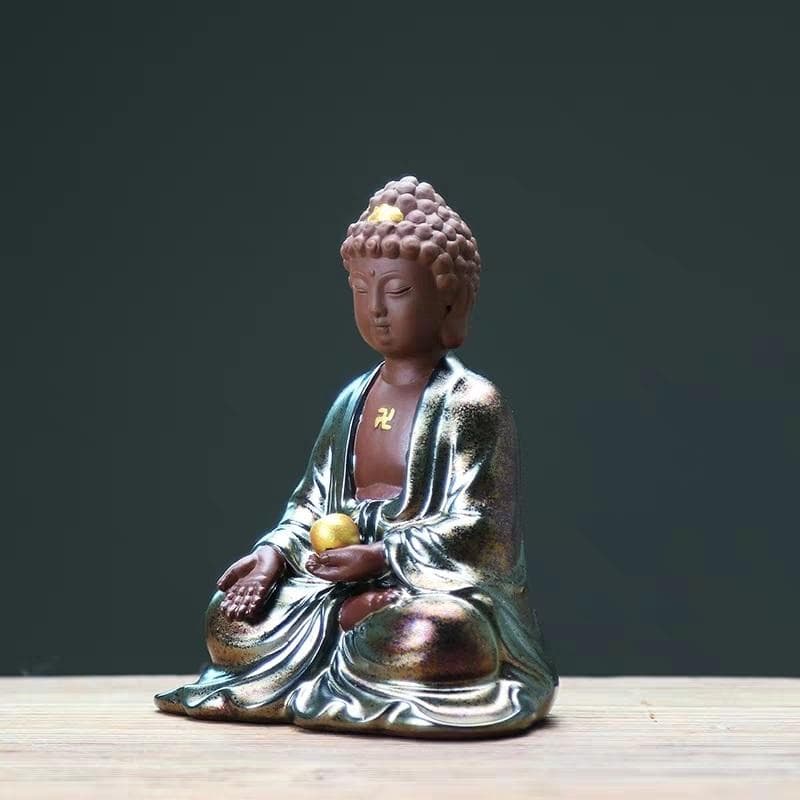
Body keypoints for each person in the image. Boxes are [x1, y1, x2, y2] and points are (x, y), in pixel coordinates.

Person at [155, 176, 558, 737]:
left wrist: (381, 555)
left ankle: (363, 631)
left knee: (435, 635)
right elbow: (312, 503)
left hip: (430, 586)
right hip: (336, 581)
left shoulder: (473, 403)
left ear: (450, 299)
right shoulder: (351, 400)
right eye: (362, 289)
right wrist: (272, 556)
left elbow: (483, 531)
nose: (377, 309)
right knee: (228, 620)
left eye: (397, 290)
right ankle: (355, 625)